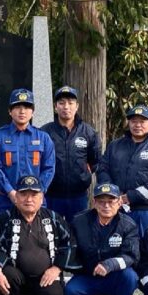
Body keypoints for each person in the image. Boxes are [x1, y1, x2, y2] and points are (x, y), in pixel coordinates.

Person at [95, 103, 148, 295]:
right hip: (117, 209)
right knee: (117, 249)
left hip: (146, 210)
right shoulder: (115, 146)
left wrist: (131, 196)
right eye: (133, 120)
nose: (137, 124)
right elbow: (103, 169)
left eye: (142, 121)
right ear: (128, 122)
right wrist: (112, 195)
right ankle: (117, 291)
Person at [0, 175, 75, 295]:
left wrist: (57, 268)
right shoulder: (4, 219)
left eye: (34, 195)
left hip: (45, 276)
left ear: (42, 197)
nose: (28, 199)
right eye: (23, 194)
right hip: (16, 275)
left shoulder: (53, 218)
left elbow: (69, 244)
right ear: (16, 197)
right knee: (7, 274)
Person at [65, 183, 139, 295]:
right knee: (70, 292)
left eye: (111, 201)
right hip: (88, 275)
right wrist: (82, 268)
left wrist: (109, 265)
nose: (106, 205)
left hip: (115, 275)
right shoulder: (79, 222)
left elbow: (132, 255)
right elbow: (69, 250)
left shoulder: (128, 225)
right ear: (94, 202)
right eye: (101, 201)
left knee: (131, 277)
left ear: (119, 202)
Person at [0, 88, 56, 218]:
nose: (22, 111)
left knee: (38, 237)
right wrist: (11, 192)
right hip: (6, 200)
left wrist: (39, 192)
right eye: (17, 107)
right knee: (3, 236)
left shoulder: (43, 138)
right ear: (10, 111)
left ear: (33, 112)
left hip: (35, 201)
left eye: (27, 107)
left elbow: (49, 168)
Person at [42, 85, 102, 222]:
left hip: (78, 196)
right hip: (52, 196)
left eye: (70, 103)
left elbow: (96, 161)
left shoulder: (88, 132)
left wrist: (83, 175)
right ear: (55, 107)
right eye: (61, 103)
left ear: (77, 106)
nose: (66, 107)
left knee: (78, 234)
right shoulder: (45, 132)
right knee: (52, 234)